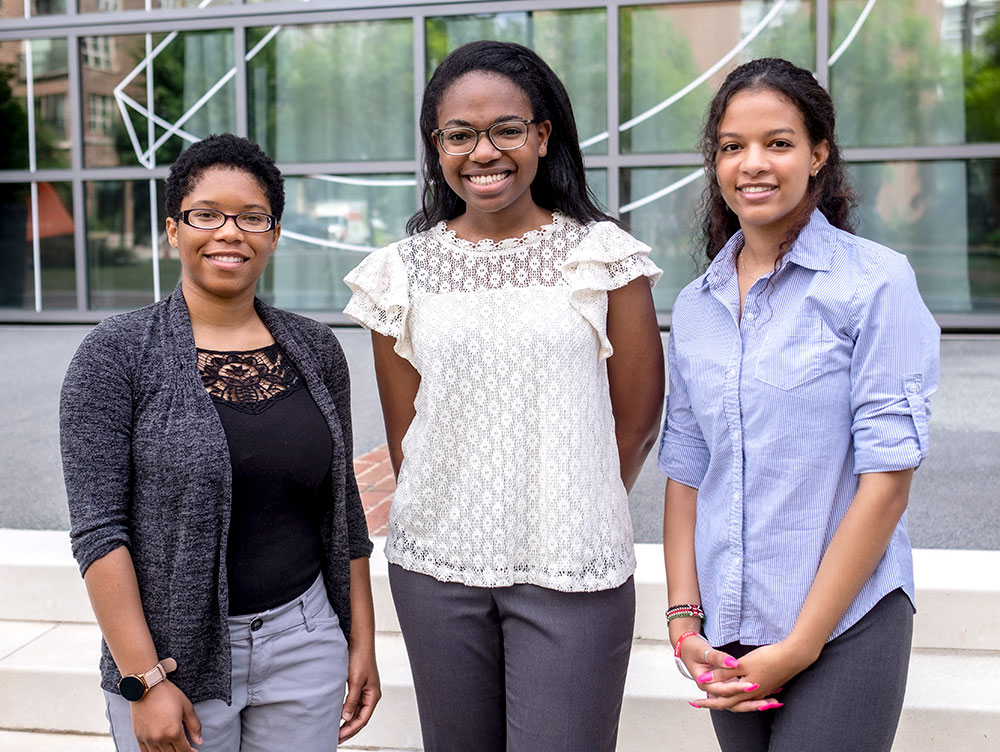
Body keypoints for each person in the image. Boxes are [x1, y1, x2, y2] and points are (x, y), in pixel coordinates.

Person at [343, 39, 664, 752]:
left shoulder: (604, 257)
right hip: (435, 571)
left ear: (542, 136)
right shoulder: (399, 273)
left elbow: (637, 419)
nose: (482, 152)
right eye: (459, 134)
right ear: (437, 146)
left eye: (506, 130)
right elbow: (408, 438)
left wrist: (569, 503)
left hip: (572, 569)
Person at [60, 134, 380, 752]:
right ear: (174, 230)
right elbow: (99, 531)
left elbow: (342, 509)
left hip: (306, 640)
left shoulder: (315, 350)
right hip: (174, 658)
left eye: (252, 217)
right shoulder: (115, 354)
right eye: (206, 214)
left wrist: (360, 641)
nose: (229, 232)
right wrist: (142, 680)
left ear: (275, 232)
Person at [659, 58, 940, 751]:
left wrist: (799, 646)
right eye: (732, 146)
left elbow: (887, 486)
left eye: (778, 143)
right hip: (729, 628)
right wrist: (683, 621)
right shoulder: (697, 307)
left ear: (818, 155)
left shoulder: (874, 283)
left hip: (847, 625)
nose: (753, 164)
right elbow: (687, 473)